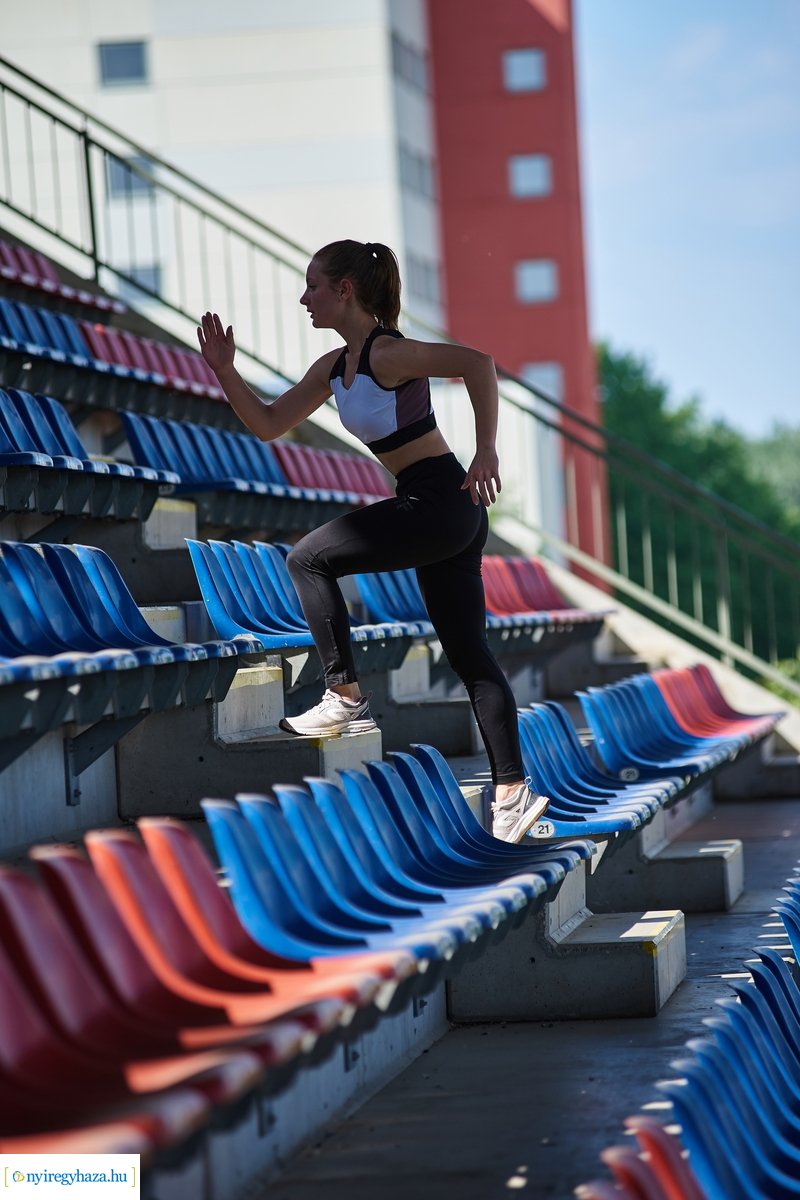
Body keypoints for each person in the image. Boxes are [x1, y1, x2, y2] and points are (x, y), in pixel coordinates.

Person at [197, 238, 548, 843]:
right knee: (469, 656)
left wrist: (487, 446)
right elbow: (269, 425)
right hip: (444, 508)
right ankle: (513, 794)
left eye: (313, 286)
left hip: (440, 499)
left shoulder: (388, 353)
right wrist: (226, 372)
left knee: (308, 558)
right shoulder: (334, 369)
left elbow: (477, 363)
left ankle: (343, 691)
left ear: (346, 290)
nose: (303, 297)